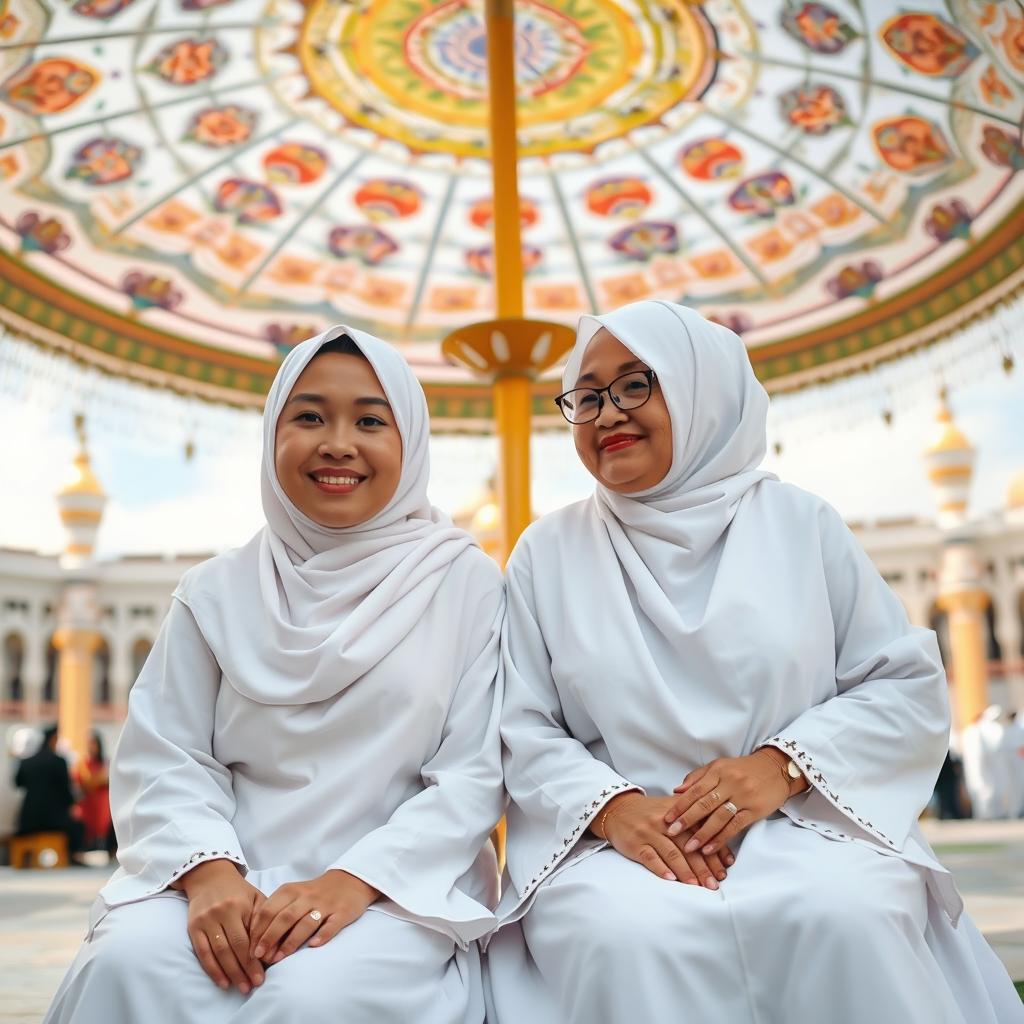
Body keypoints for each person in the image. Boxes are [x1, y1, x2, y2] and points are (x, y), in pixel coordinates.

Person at [485, 301, 1024, 1024]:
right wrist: (613, 810)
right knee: (624, 935)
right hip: (622, 846)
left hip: (807, 820)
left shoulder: (802, 526)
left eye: (636, 384)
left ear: (702, 389)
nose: (607, 413)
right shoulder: (546, 555)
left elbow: (902, 684)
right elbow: (521, 726)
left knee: (848, 913)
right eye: (586, 396)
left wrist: (781, 766)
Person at [46, 327, 505, 1024]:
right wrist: (209, 876)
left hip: (397, 891)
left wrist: (354, 882)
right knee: (125, 961)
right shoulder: (217, 591)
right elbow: (167, 756)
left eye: (371, 420)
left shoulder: (463, 583)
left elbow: (473, 776)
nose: (338, 444)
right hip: (221, 883)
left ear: (410, 441)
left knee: (310, 994)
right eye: (310, 416)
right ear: (272, 435)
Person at [14, 724, 85, 860]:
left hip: (28, 819)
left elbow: (18, 783)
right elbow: (66, 791)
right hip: (53, 819)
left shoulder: (27, 762)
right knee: (78, 826)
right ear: (53, 739)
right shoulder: (59, 761)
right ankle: (72, 857)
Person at [962, 705, 1014, 819]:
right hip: (982, 766)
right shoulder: (976, 731)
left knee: (990, 789)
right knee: (983, 789)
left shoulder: (979, 730)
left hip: (987, 765)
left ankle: (991, 813)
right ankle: (985, 814)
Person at [73, 731, 112, 853]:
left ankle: (104, 846)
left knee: (104, 823)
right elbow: (84, 783)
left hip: (103, 800)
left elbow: (109, 779)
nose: (91, 747)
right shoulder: (83, 764)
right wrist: (99, 780)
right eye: (89, 744)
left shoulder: (106, 762)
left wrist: (98, 780)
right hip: (89, 801)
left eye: (93, 743)